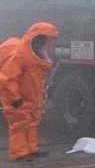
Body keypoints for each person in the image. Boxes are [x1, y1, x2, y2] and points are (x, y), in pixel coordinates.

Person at [0, 22, 59, 160]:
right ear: (36, 39)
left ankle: (31, 149)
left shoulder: (35, 59)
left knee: (32, 121)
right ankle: (19, 153)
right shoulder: (19, 56)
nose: (46, 45)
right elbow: (7, 79)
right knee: (19, 123)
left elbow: (36, 81)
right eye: (44, 41)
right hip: (17, 97)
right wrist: (14, 98)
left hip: (30, 97)